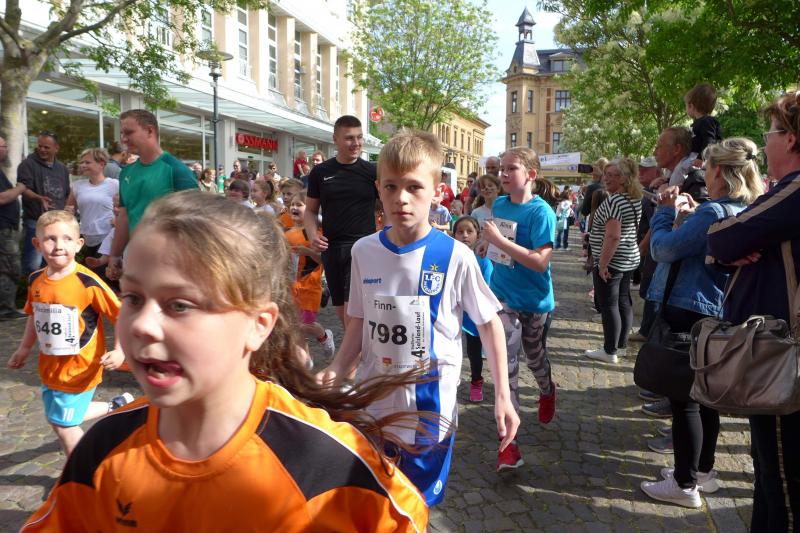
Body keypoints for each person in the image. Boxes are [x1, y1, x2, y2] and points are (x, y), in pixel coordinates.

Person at [20, 192, 429, 532]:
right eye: (133, 297)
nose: (142, 324)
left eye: (179, 305)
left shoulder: (327, 462)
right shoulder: (103, 448)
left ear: (258, 325)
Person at [319, 130, 518, 505]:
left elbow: (489, 323)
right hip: (374, 406)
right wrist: (334, 372)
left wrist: (503, 396)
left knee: (415, 507)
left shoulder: (456, 256)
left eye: (414, 187)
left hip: (430, 413)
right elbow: (358, 323)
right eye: (391, 187)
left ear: (437, 191)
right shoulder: (363, 251)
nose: (401, 198)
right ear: (378, 190)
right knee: (377, 504)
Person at [639, 137, 762, 508]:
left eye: (707, 168)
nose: (703, 174)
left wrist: (664, 211)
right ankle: (703, 472)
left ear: (719, 171)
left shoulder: (713, 212)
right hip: (715, 308)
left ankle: (684, 483)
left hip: (688, 306)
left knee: (685, 400)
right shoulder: (744, 208)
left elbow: (663, 249)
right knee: (706, 397)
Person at [706, 91, 800, 532]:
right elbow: (723, 245)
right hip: (777, 351)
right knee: (768, 474)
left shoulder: (795, 190)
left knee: (782, 481)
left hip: (784, 357)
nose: (766, 142)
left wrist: (725, 246)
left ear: (791, 138)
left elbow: (721, 237)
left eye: (771, 132)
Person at [6, 210, 130, 455]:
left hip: (80, 367)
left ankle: (82, 472)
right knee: (57, 416)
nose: (58, 246)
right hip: (50, 366)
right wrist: (24, 348)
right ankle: (117, 405)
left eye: (67, 239)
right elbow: (33, 314)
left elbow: (121, 315)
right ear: (37, 244)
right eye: (50, 239)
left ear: (79, 244)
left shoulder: (87, 282)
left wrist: (120, 351)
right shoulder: (35, 279)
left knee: (65, 425)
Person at [478, 146, 556, 470]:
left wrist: (499, 242)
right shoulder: (499, 204)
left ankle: (547, 389)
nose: (504, 174)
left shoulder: (542, 213)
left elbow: (540, 263)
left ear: (531, 175)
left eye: (511, 169)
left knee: (534, 356)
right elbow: (496, 243)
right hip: (503, 299)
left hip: (535, 301)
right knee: (506, 366)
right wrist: (485, 245)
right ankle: (509, 445)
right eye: (502, 169)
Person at [105, 109, 197, 281]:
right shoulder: (126, 173)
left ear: (149, 131)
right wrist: (115, 255)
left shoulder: (177, 170)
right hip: (136, 259)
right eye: (122, 133)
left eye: (129, 132)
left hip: (170, 264)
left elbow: (195, 224)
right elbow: (124, 216)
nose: (123, 139)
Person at [305, 115, 378, 327]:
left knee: (351, 314)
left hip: (362, 248)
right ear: (335, 139)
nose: (356, 143)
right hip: (332, 249)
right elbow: (310, 211)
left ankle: (353, 351)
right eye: (349, 138)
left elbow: (388, 205)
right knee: (341, 314)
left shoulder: (372, 172)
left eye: (359, 137)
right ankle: (360, 347)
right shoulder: (320, 172)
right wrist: (312, 235)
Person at [584, 158, 642, 363]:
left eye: (612, 175)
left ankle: (610, 351)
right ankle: (621, 346)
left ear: (624, 178)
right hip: (628, 257)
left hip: (614, 260)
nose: (606, 179)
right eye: (606, 175)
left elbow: (613, 236)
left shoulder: (615, 201)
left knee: (609, 305)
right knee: (623, 301)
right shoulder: (633, 198)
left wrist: (603, 264)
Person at [283, 191, 335, 358]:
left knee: (305, 325)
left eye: (299, 204)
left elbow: (324, 260)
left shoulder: (315, 233)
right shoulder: (286, 233)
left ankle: (324, 336)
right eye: (292, 204)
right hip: (291, 287)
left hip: (310, 287)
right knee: (294, 327)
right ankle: (304, 360)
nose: (294, 207)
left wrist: (308, 252)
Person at [18, 131, 71, 276]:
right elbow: (23, 189)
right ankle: (32, 287)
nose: (42, 149)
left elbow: (67, 193)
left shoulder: (62, 168)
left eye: (46, 147)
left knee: (52, 261)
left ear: (56, 148)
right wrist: (39, 198)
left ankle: (48, 288)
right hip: (35, 221)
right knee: (32, 263)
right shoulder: (27, 164)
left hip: (57, 222)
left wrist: (66, 211)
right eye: (40, 146)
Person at [453, 215, 494, 402]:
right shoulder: (449, 259)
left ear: (478, 235)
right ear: (453, 235)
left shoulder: (484, 262)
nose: (464, 235)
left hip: (472, 316)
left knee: (473, 352)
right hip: (452, 313)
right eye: (460, 231)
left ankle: (476, 381)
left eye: (469, 231)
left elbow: (486, 290)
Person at [630, 156, 662, 344]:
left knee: (650, 289)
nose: (640, 172)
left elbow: (655, 224)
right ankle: (648, 329)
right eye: (640, 168)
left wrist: (642, 246)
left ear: (657, 171)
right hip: (646, 247)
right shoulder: (647, 191)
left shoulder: (655, 193)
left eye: (646, 169)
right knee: (646, 288)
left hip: (650, 249)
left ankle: (647, 330)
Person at [65, 148, 119, 259]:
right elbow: (69, 211)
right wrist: (67, 212)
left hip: (108, 237)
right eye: (81, 162)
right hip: (86, 238)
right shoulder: (77, 186)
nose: (83, 165)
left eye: (87, 162)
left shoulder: (114, 184)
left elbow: (125, 208)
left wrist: (117, 219)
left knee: (102, 269)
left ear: (101, 164)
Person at [0, 136, 26, 320]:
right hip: (3, 229)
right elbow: (2, 198)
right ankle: (5, 309)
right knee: (10, 267)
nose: (6, 149)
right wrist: (20, 188)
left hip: (7, 227)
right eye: (3, 146)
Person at [654, 127, 708, 202]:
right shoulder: (667, 180)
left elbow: (703, 209)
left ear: (677, 149)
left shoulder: (696, 180)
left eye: (659, 147)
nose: (654, 153)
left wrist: (664, 199)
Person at [684, 83, 723, 170]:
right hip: (698, 158)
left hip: (703, 160)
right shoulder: (699, 122)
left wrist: (701, 158)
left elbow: (709, 141)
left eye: (685, 105)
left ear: (691, 106)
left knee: (681, 168)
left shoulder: (707, 121)